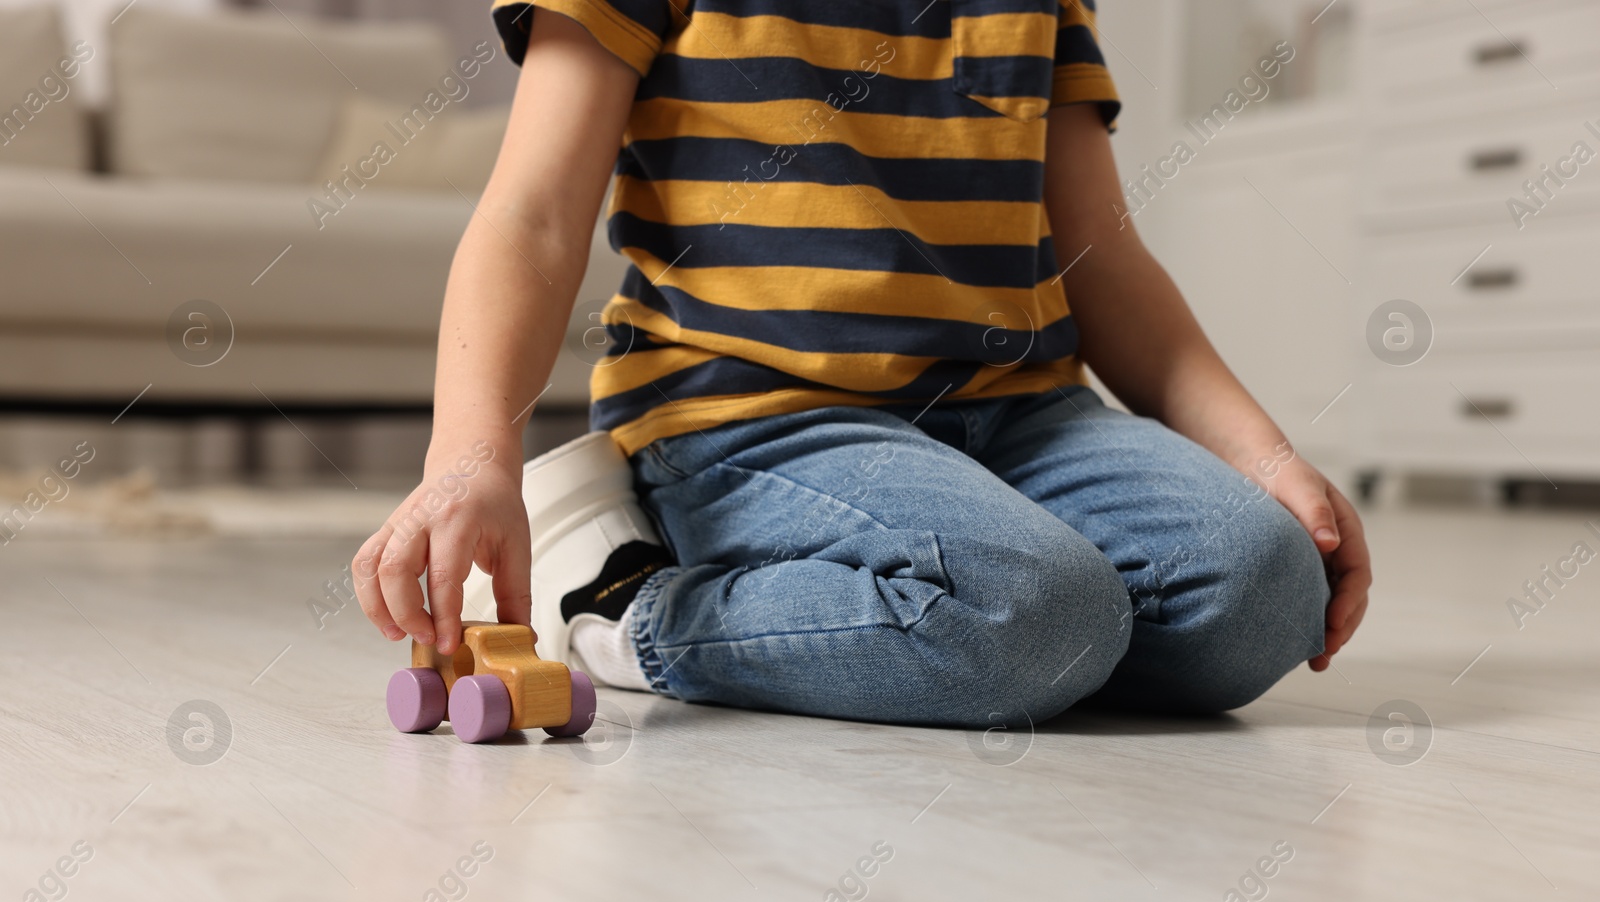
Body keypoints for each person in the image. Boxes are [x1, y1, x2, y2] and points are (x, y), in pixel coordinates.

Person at [353, 0, 1370, 727]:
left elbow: (1104, 261)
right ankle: (633, 611)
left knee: (1265, 590)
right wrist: (470, 455)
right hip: (753, 410)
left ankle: (985, 640)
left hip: (1020, 411)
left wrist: (1265, 455)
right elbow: (531, 217)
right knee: (1032, 607)